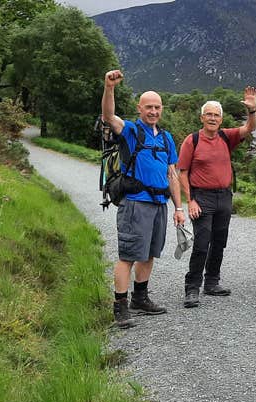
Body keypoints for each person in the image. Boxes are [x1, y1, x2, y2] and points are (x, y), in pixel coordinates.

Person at [101, 69, 185, 329]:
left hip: (159, 204)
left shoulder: (167, 138)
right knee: (128, 256)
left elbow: (173, 174)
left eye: (157, 107)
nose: (153, 111)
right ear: (139, 108)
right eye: (148, 107)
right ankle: (120, 307)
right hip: (135, 203)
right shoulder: (130, 130)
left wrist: (178, 207)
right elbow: (108, 116)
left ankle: (140, 298)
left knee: (149, 254)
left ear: (162, 109)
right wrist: (109, 88)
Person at [177, 87, 256, 308]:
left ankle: (212, 282)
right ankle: (192, 288)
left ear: (221, 119)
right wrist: (189, 200)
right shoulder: (192, 140)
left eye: (216, 115)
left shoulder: (225, 136)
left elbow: (249, 128)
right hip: (201, 198)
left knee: (219, 242)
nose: (212, 118)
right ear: (202, 117)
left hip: (224, 196)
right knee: (202, 243)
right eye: (209, 114)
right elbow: (182, 171)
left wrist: (252, 110)